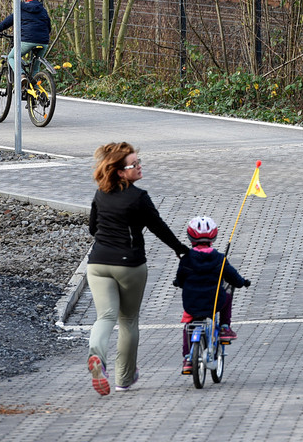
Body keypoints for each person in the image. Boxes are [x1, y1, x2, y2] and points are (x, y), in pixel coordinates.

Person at [87, 143, 190, 395]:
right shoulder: (138, 197)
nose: (140, 166)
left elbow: (92, 228)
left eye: (139, 161)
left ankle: (97, 357)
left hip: (97, 263)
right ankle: (124, 378)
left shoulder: (101, 194)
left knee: (105, 317)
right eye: (135, 164)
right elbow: (159, 227)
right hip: (129, 265)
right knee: (128, 320)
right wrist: (180, 249)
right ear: (121, 172)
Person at [173, 216, 250, 375]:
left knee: (188, 325)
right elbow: (233, 277)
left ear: (190, 237)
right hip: (214, 302)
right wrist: (242, 282)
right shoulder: (219, 258)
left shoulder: (186, 259)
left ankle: (188, 359)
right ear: (213, 236)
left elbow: (180, 279)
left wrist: (178, 282)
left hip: (192, 303)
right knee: (228, 292)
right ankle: (224, 327)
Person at [0, 0, 52, 80]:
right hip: (44, 42)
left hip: (27, 40)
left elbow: (6, 23)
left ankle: (21, 75)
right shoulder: (43, 10)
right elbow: (49, 27)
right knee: (35, 68)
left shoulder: (20, 9)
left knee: (11, 57)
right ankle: (36, 92)